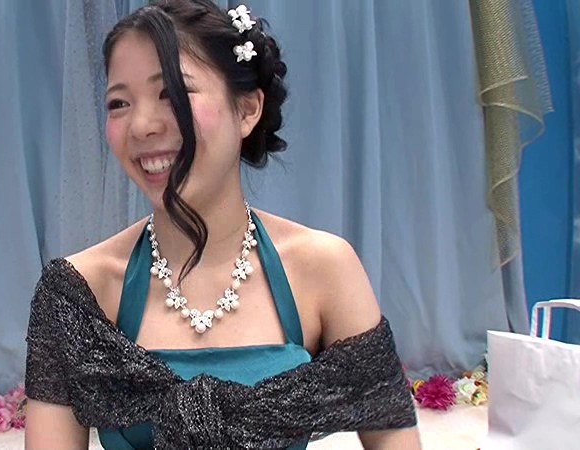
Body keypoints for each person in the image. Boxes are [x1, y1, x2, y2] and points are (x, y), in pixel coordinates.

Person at [25, 1, 420, 448]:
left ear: (248, 109)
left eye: (172, 92)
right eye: (119, 103)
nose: (141, 125)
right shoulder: (78, 291)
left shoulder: (324, 268)